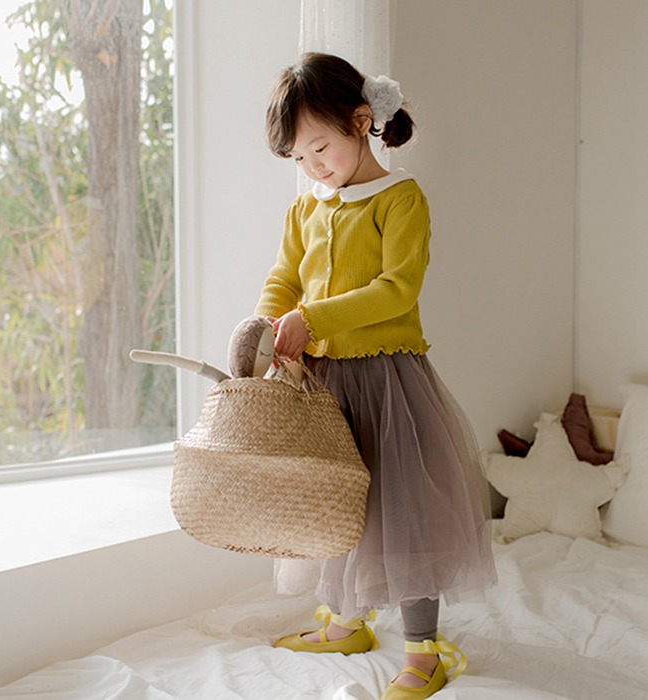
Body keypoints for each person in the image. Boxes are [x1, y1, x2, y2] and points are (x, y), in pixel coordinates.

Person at [255, 52, 496, 700]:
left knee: (404, 517)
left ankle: (424, 652)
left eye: (320, 148)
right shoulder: (305, 209)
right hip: (323, 387)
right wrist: (269, 324)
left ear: (362, 122)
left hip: (387, 383)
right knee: (335, 506)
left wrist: (311, 317)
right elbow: (283, 278)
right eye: (299, 157)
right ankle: (344, 623)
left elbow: (396, 289)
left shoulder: (400, 198)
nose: (313, 167)